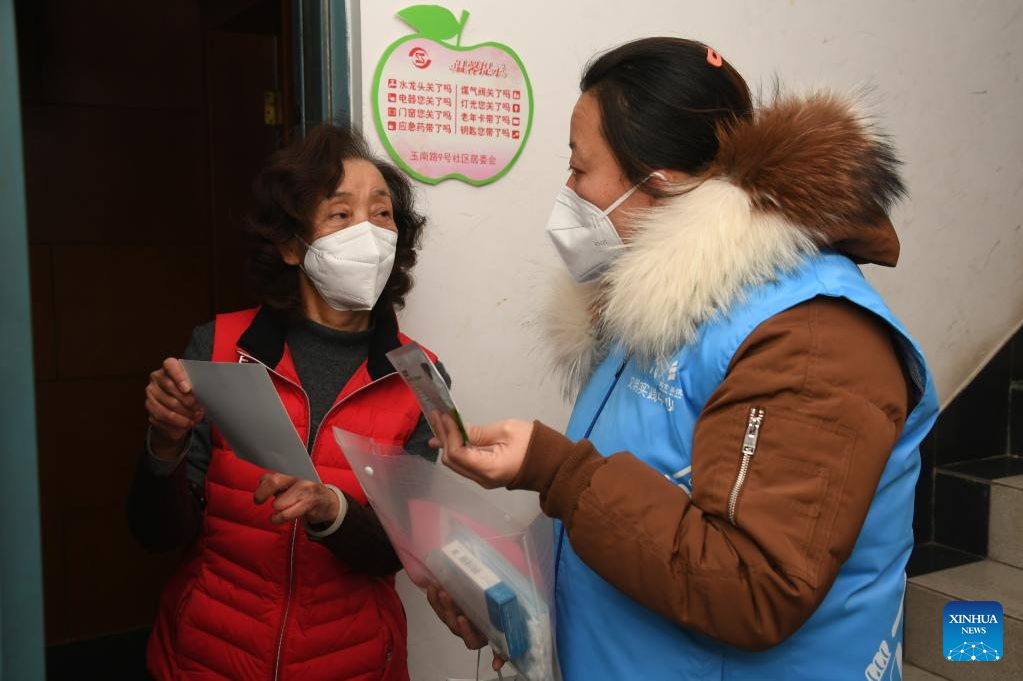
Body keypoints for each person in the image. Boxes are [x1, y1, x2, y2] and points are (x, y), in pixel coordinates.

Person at [427, 37, 939, 680]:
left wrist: (555, 470)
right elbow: (648, 510)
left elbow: (754, 585)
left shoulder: (811, 338)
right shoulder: (661, 305)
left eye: (580, 168)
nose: (569, 188)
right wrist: (514, 598)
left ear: (658, 182)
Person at [128, 124, 445, 681]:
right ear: (293, 246)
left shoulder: (421, 376)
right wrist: (163, 446)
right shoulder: (219, 348)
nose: (368, 233)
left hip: (353, 663)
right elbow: (159, 535)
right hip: (209, 655)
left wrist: (334, 513)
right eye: (341, 215)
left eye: (382, 214)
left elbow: (403, 552)